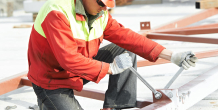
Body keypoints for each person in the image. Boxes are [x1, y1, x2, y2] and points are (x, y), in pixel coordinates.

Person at [27, 0, 198, 110]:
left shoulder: (100, 13)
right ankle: (46, 103)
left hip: (80, 70)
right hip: (51, 80)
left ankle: (115, 106)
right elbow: (68, 59)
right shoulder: (57, 11)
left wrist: (171, 55)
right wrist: (109, 68)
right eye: (101, 3)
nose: (105, 8)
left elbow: (129, 39)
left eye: (108, 5)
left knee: (126, 50)